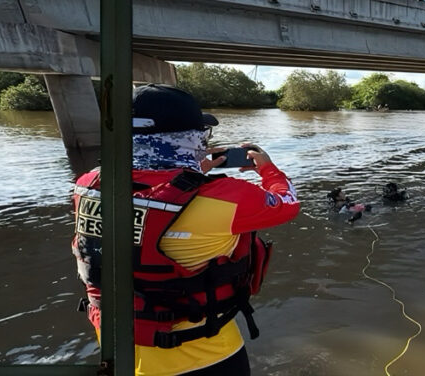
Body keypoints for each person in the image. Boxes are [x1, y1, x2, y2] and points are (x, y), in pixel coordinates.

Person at [71, 84, 300, 375]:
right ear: (190, 138)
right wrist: (268, 169)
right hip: (204, 357)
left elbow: (146, 200)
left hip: (119, 351)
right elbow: (287, 202)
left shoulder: (88, 184)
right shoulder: (225, 197)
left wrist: (188, 177)